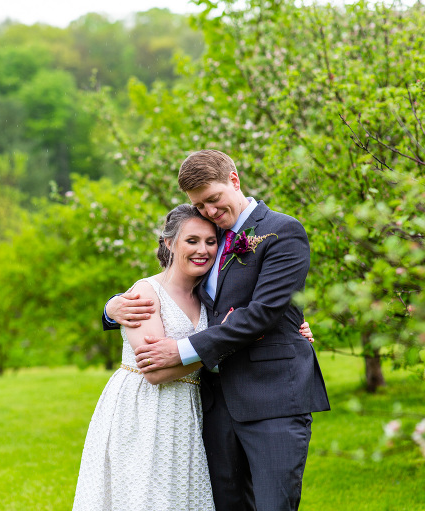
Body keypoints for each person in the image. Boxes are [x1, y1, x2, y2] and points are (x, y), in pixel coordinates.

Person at [104, 150, 330, 511]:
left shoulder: (283, 231)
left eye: (213, 199)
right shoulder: (210, 237)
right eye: (199, 205)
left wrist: (182, 350)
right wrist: (112, 308)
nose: (208, 211)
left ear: (234, 180)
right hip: (214, 405)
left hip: (272, 397)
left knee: (273, 505)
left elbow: (263, 312)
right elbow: (173, 287)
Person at [73, 204, 218, 511]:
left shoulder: (207, 295)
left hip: (187, 409)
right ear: (169, 243)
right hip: (144, 409)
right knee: (144, 498)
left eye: (210, 241)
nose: (202, 250)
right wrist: (219, 348)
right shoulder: (146, 293)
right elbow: (154, 372)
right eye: (192, 240)